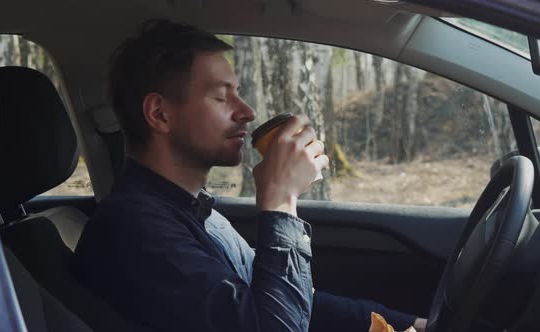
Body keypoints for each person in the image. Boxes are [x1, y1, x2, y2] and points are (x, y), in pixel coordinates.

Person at [74, 19, 426, 332]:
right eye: (221, 97)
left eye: (238, 93)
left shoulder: (195, 213)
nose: (247, 111)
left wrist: (407, 323)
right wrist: (280, 200)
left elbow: (291, 303)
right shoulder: (134, 231)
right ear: (160, 114)